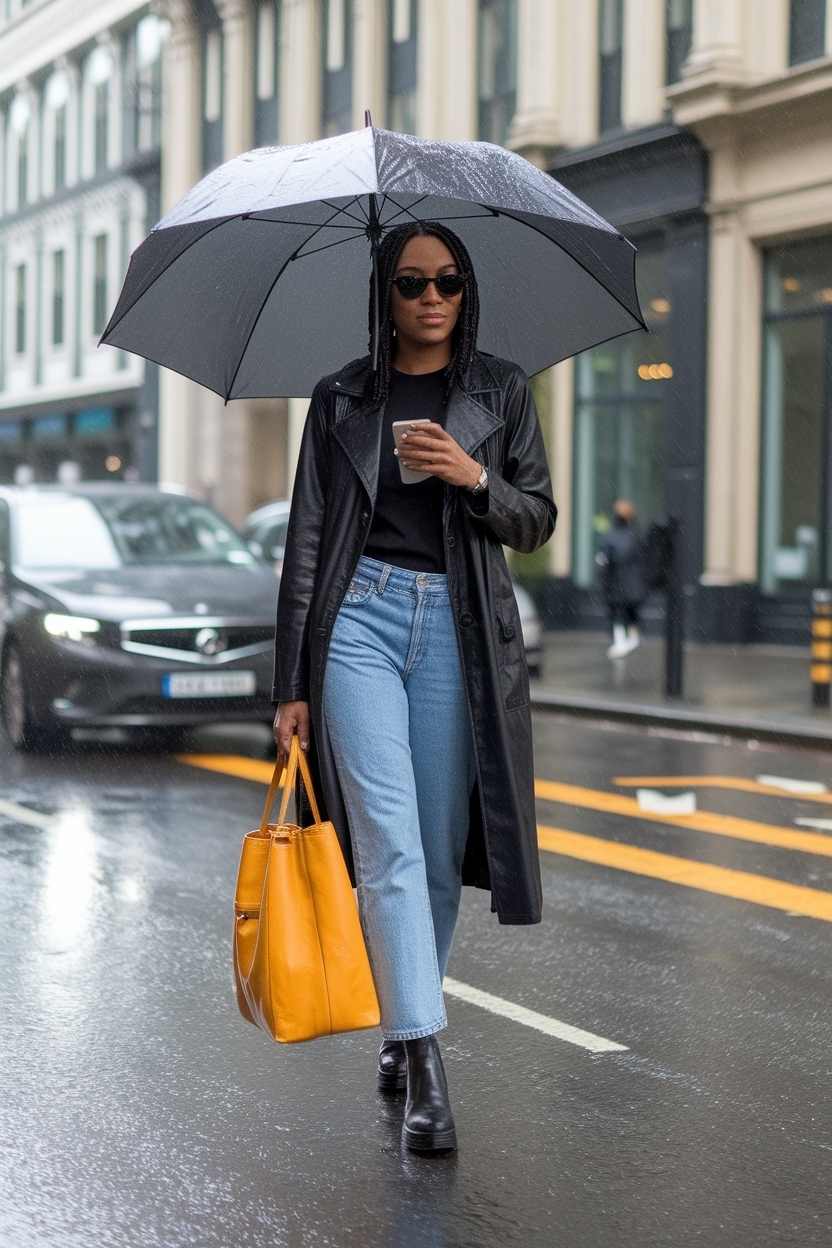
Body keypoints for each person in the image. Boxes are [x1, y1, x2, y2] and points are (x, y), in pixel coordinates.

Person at [272, 221, 556, 1155]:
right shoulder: (342, 396)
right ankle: (426, 1057)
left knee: (434, 854)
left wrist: (473, 476)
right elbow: (307, 540)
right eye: (410, 283)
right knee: (388, 844)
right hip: (358, 619)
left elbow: (536, 520)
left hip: (457, 630)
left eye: (448, 281)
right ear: (384, 295)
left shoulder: (501, 390)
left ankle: (403, 1022)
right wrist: (290, 682)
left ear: (467, 292)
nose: (432, 297)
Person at [595, 499, 647, 658]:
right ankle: (624, 641)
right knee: (622, 612)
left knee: (621, 612)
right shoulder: (632, 534)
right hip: (624, 582)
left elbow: (604, 555)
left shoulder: (622, 534)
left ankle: (625, 641)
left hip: (621, 582)